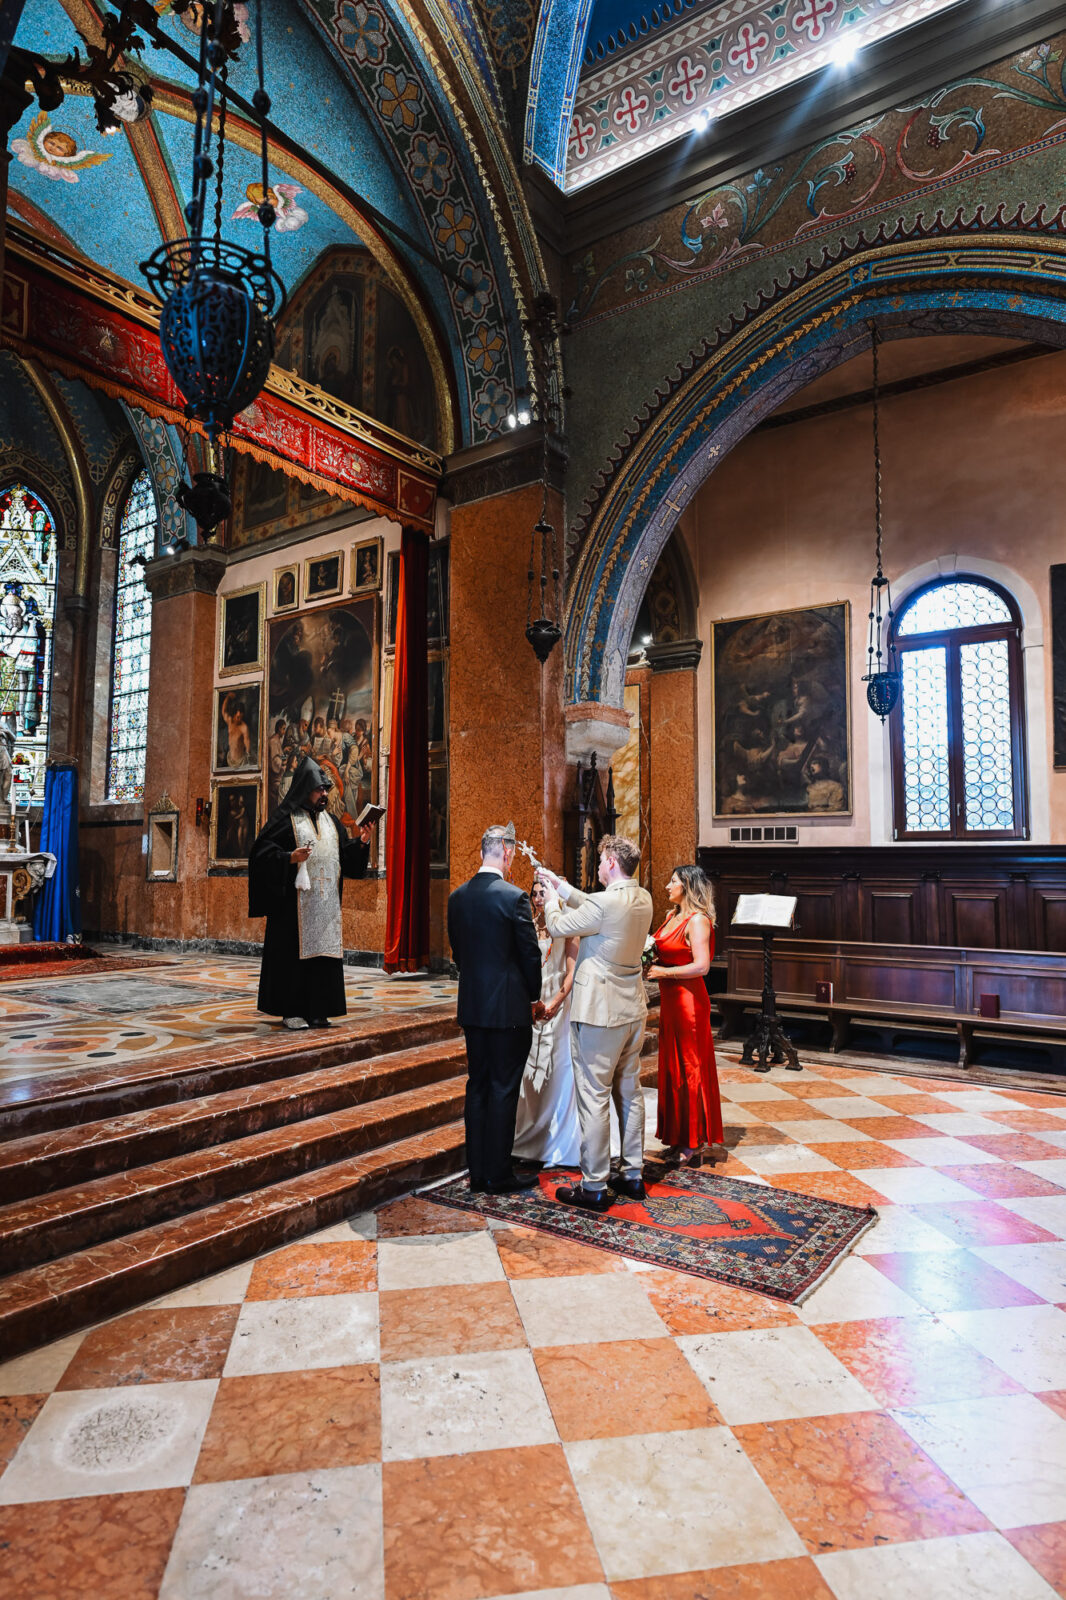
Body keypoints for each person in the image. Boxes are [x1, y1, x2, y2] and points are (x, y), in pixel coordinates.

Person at [538, 834, 654, 1212]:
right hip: (632, 1010)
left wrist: (552, 899)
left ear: (612, 864)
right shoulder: (643, 897)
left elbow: (558, 927)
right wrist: (562, 884)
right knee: (629, 1091)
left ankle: (594, 1185)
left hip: (600, 1015)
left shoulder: (604, 904)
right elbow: (594, 906)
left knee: (594, 1096)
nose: (599, 865)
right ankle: (633, 1173)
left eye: (602, 860)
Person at [447, 822, 542, 1194]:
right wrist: (533, 997)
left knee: (478, 1086)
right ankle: (498, 1173)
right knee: (504, 1088)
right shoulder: (514, 897)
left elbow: (458, 952)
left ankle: (477, 1170)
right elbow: (529, 955)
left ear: (481, 851)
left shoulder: (457, 897)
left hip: (472, 1008)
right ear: (507, 851)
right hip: (508, 1012)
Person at [248, 755, 373, 1030]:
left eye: (327, 789)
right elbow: (260, 855)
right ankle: (291, 1010)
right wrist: (289, 858)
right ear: (306, 789)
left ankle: (319, 1010)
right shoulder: (286, 820)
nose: (325, 794)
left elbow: (345, 856)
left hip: (326, 905)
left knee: (323, 958)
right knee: (293, 959)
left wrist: (362, 841)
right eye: (320, 789)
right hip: (293, 909)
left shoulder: (331, 822)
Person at [646, 865, 723, 1166]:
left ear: (688, 886)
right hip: (670, 1002)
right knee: (673, 1069)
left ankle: (693, 1142)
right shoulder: (670, 916)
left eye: (674, 881)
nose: (667, 885)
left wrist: (665, 971)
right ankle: (677, 1137)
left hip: (689, 1002)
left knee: (690, 1068)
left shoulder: (698, 920)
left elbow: (702, 966)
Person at [513, 879, 580, 1166]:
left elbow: (571, 972)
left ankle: (557, 1137)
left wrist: (555, 1003)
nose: (539, 898)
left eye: (544, 893)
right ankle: (530, 1133)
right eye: (535, 894)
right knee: (530, 1070)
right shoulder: (527, 924)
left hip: (559, 1002)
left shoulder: (568, 925)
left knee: (558, 1067)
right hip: (531, 1001)